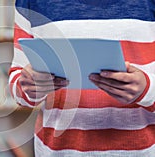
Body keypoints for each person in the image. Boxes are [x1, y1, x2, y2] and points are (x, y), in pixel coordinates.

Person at [9, 0, 155, 156]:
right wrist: (28, 86)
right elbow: (18, 84)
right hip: (58, 151)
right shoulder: (31, 2)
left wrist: (147, 89)